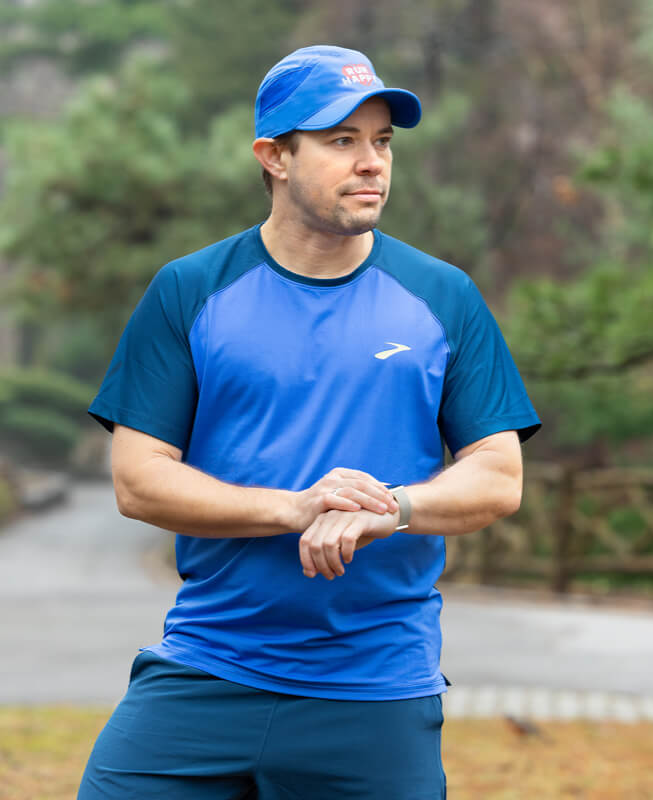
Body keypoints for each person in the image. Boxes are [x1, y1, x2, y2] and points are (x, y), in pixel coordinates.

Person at [78, 45, 540, 800]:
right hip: (207, 669)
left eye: (382, 141)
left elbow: (498, 476)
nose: (371, 163)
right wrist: (295, 510)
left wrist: (390, 509)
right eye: (341, 140)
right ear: (275, 157)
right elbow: (139, 480)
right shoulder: (189, 291)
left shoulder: (443, 296)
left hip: (376, 688)